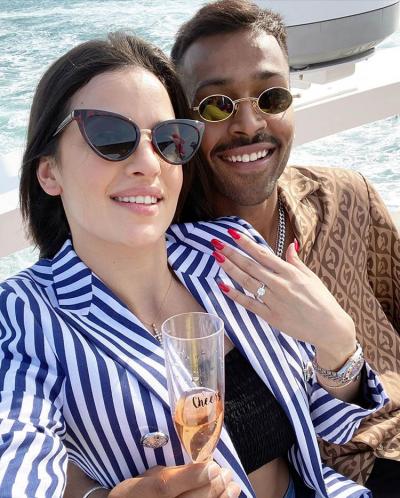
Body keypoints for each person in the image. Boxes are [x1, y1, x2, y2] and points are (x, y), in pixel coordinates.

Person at [0, 31, 387, 498]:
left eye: (169, 140)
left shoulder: (227, 251)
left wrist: (337, 345)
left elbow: (330, 422)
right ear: (49, 171)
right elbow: (16, 459)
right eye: (110, 136)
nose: (149, 163)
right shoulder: (24, 314)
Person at [170, 0, 400, 494]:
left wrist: (340, 344)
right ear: (182, 124)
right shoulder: (170, 268)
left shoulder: (346, 197)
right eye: (216, 105)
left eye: (271, 97)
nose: (249, 124)